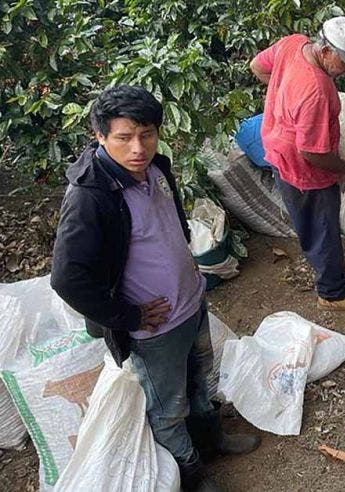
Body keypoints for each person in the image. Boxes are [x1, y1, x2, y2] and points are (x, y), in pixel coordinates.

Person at [51, 86, 259, 492]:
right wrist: (127, 317)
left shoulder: (157, 168)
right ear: (100, 136)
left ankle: (212, 439)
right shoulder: (90, 199)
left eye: (146, 134)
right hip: (155, 329)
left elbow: (172, 223)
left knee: (200, 381)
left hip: (191, 302)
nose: (138, 148)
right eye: (124, 137)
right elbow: (67, 278)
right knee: (168, 409)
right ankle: (193, 474)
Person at [250, 17, 345, 312]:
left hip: (278, 148)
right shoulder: (315, 89)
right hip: (303, 166)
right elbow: (312, 153)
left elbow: (257, 65)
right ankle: (332, 294)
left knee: (312, 222)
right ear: (327, 50)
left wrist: (282, 93)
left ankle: (326, 261)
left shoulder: (294, 43)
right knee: (322, 224)